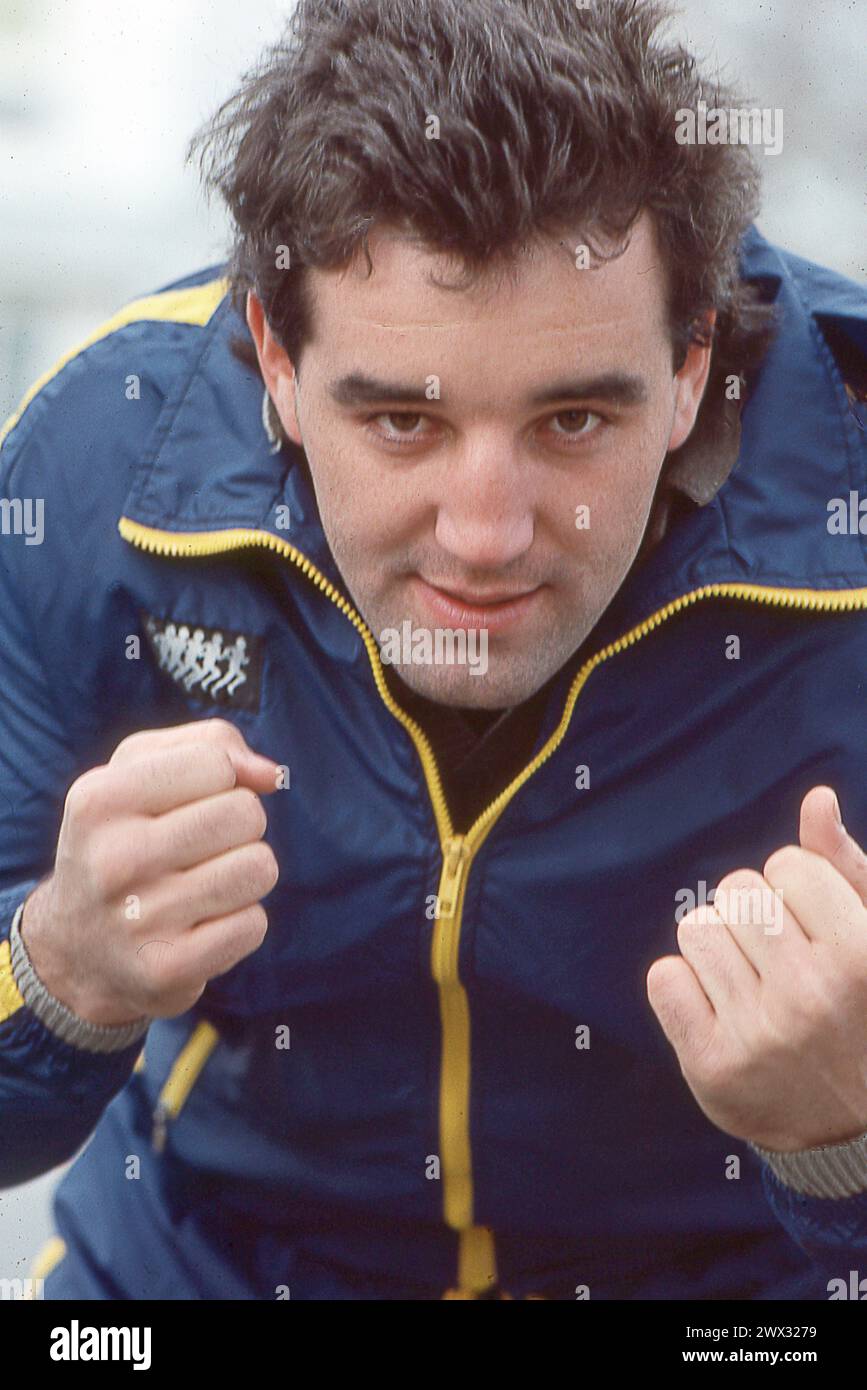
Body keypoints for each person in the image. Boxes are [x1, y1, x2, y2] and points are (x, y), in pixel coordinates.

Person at [1, 0, 865, 1301]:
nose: (485, 536)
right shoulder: (95, 467)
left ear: (691, 368)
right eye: (402, 420)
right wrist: (55, 975)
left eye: (573, 417)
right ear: (277, 362)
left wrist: (840, 1141)